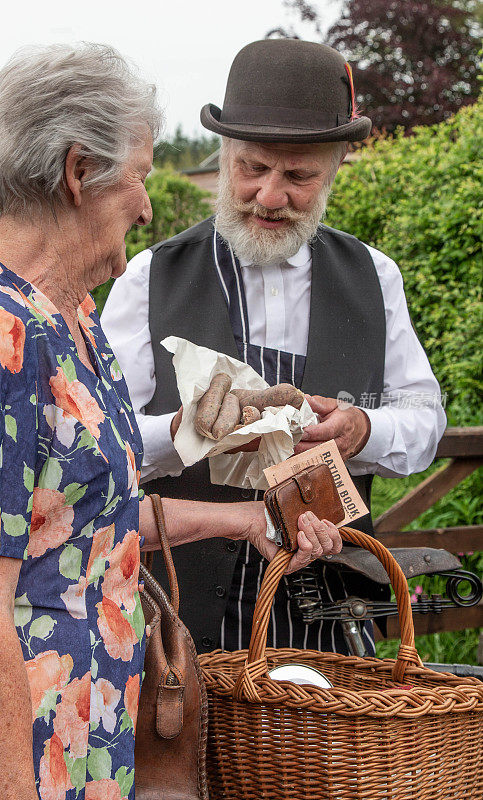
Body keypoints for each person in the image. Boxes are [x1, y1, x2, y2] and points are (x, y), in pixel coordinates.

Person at [0, 43, 341, 800]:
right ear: (77, 171)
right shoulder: (8, 336)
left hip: (101, 729)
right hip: (34, 748)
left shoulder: (74, 319)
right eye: (144, 177)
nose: (150, 207)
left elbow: (92, 519)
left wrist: (242, 517)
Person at [101, 39, 446, 657]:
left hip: (333, 620)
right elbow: (101, 449)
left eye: (298, 176)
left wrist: (362, 429)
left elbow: (425, 421)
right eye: (252, 169)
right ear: (225, 154)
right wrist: (184, 430)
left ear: (336, 168)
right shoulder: (149, 278)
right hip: (180, 633)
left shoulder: (375, 276)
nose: (269, 195)